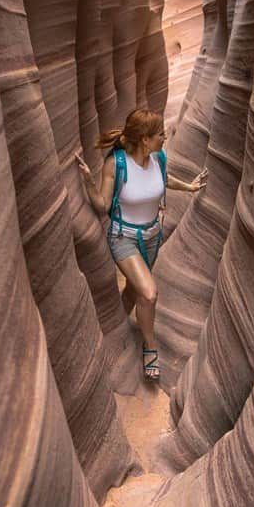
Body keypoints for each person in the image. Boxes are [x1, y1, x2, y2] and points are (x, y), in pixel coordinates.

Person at [75, 109, 207, 381]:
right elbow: (102, 205)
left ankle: (117, 328)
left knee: (135, 291)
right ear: (145, 139)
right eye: (160, 134)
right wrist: (88, 182)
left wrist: (190, 188)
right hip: (124, 237)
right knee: (148, 293)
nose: (165, 136)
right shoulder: (117, 164)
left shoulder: (158, 158)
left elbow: (163, 181)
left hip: (152, 237)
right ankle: (150, 347)